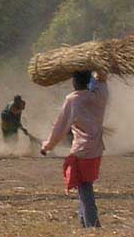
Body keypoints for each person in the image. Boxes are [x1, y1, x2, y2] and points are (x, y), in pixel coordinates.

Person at [41, 70, 109, 228]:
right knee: (84, 183)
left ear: (74, 82)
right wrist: (97, 68)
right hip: (97, 149)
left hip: (81, 150)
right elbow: (103, 79)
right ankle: (85, 221)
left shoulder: (73, 100)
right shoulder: (100, 95)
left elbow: (60, 127)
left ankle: (92, 224)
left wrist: (48, 146)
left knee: (85, 187)